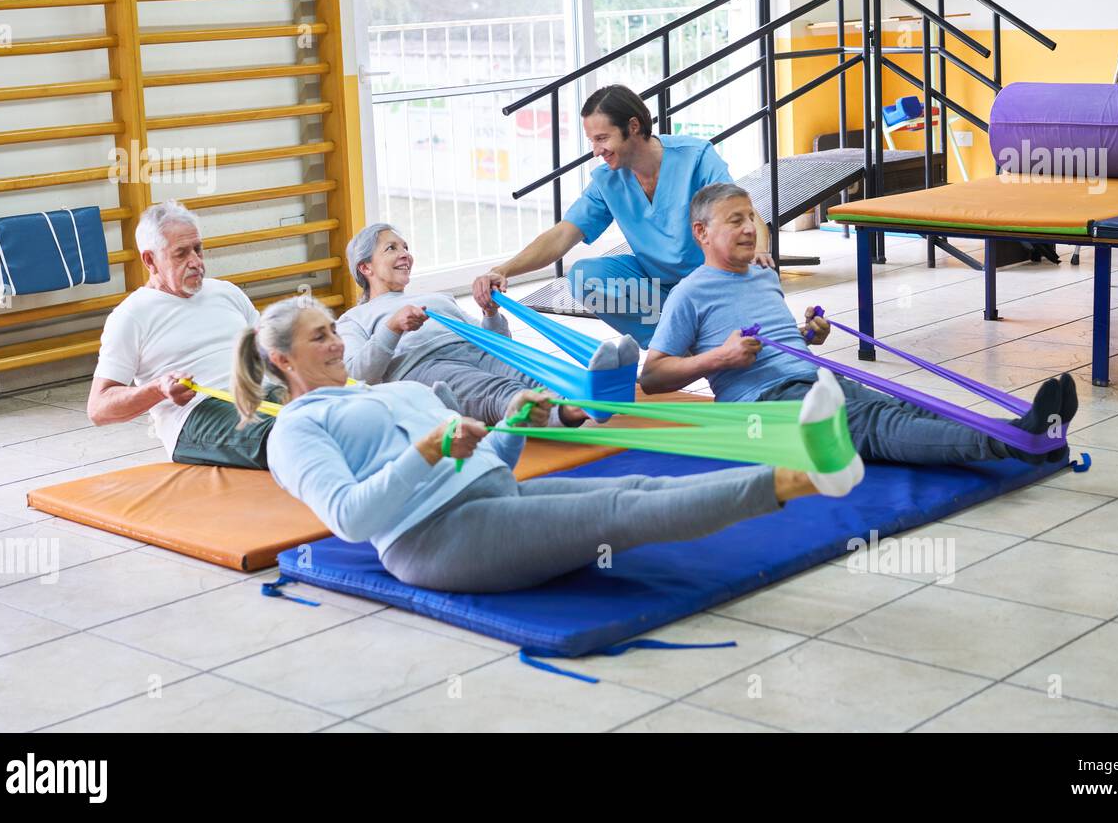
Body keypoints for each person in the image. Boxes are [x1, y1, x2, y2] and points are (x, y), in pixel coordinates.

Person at [236, 295, 857, 594]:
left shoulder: (375, 392)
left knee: (635, 488)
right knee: (622, 512)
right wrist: (425, 451)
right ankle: (804, 470)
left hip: (493, 496)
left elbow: (485, 466)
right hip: (434, 540)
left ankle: (806, 463)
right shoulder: (294, 430)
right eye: (321, 337)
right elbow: (348, 519)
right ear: (282, 360)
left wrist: (510, 430)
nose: (337, 344)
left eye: (331, 331)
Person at [640, 183, 1079, 466]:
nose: (749, 229)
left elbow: (782, 346)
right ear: (701, 233)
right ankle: (1015, 441)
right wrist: (721, 357)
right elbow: (653, 375)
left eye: (751, 218)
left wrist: (807, 337)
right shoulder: (690, 294)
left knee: (906, 407)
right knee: (876, 427)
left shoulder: (762, 275)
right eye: (735, 221)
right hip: (760, 406)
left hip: (811, 380)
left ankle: (1031, 431)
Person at [471, 84, 773, 347]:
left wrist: (759, 250)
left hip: (709, 282)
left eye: (602, 138)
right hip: (657, 287)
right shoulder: (609, 180)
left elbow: (743, 212)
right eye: (592, 141)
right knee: (584, 277)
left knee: (752, 291)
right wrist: (503, 270)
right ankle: (674, 345)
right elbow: (563, 234)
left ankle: (693, 335)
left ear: (633, 126)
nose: (596, 150)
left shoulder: (695, 157)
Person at [336, 222, 600, 427]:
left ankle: (590, 388)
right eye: (391, 248)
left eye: (405, 247)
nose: (405, 254)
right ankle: (568, 411)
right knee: (496, 391)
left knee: (531, 373)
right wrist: (392, 327)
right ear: (365, 268)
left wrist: (490, 313)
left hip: (475, 351)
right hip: (423, 365)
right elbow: (358, 374)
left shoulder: (436, 299)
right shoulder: (354, 318)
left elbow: (500, 346)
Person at [87, 200, 274, 469]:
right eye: (181, 254)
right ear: (150, 260)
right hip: (200, 412)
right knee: (294, 434)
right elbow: (98, 409)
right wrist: (158, 389)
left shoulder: (226, 292)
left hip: (261, 392)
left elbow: (270, 351)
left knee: (337, 413)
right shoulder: (130, 316)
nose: (196, 262)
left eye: (198, 249)